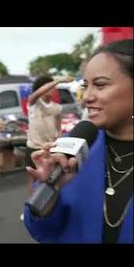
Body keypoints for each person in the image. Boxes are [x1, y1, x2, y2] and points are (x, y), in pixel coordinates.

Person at [23, 39, 133, 243]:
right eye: (85, 86)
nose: (86, 98)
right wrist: (50, 189)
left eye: (100, 85)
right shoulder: (72, 148)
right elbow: (42, 228)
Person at [21, 75, 73, 221]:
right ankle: (31, 211)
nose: (51, 89)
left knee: (53, 180)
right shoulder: (33, 103)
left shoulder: (57, 107)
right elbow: (35, 94)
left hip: (50, 149)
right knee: (33, 179)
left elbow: (58, 126)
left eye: (52, 87)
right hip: (34, 148)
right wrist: (58, 80)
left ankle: (49, 209)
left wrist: (59, 139)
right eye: (48, 87)